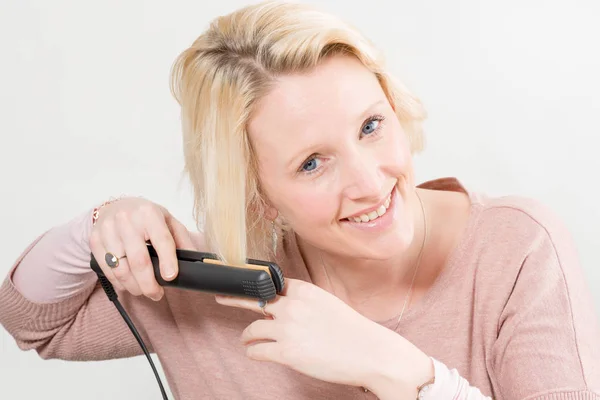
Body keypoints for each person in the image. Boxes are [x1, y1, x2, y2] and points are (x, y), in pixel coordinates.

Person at [1, 1, 599, 399]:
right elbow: (33, 322)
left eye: (370, 126)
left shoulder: (514, 250)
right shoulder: (222, 283)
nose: (370, 182)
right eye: (312, 163)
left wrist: (402, 372)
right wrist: (100, 226)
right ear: (258, 197)